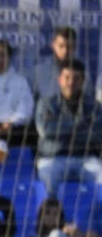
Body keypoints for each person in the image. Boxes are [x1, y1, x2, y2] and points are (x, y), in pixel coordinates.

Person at [36, 59, 102, 195]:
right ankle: (51, 215)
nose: (71, 83)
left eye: (76, 78)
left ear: (83, 80)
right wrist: (81, 124)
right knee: (48, 178)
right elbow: (46, 131)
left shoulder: (94, 106)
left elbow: (97, 134)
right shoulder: (47, 104)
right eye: (67, 77)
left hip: (86, 157)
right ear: (59, 79)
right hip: (53, 157)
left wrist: (60, 126)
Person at [29, 26, 77, 104]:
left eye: (69, 47)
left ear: (75, 47)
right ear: (53, 45)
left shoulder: (81, 71)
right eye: (61, 46)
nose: (65, 51)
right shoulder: (40, 71)